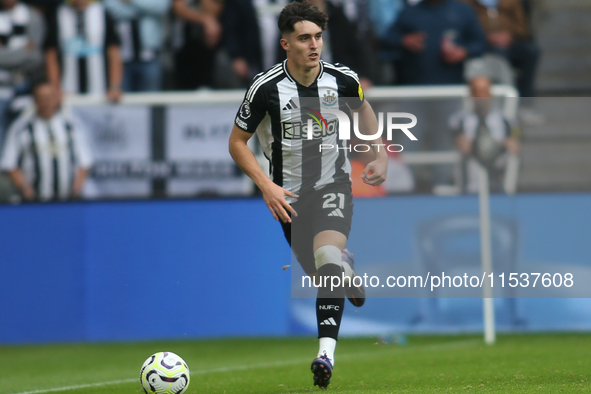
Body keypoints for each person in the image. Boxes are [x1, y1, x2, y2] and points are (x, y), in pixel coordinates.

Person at [228, 1, 387, 388]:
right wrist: (265, 185)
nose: (313, 45)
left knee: (326, 257)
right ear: (285, 43)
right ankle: (343, 266)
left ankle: (325, 355)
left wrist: (378, 150)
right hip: (289, 198)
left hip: (333, 185)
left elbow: (364, 108)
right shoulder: (265, 88)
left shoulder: (342, 79)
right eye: (304, 38)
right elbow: (236, 143)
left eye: (317, 36)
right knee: (324, 274)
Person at [0, 81, 93, 201]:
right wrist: (26, 191)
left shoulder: (71, 126)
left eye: (49, 97)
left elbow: (84, 162)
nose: (46, 102)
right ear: (34, 100)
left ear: (57, 98)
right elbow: (10, 163)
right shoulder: (22, 128)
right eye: (42, 98)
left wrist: (75, 192)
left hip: (67, 202)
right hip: (33, 202)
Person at [449, 75, 519, 193]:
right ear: (471, 94)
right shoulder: (459, 120)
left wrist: (486, 146)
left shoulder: (506, 120)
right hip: (469, 184)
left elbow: (514, 146)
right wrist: (496, 144)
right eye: (477, 91)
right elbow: (464, 146)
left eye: (484, 91)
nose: (481, 96)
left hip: (498, 180)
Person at [44, 0, 123, 102]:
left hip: (100, 90)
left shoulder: (103, 13)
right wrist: (55, 87)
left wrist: (114, 87)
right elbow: (51, 54)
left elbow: (114, 52)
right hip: (66, 92)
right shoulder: (57, 13)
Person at [104, 0, 170, 92]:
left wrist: (131, 1)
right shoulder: (144, 11)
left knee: (150, 101)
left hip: (150, 58)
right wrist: (145, 9)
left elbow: (161, 7)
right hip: (122, 60)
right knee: (123, 103)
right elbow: (112, 10)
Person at [171, 0, 223, 90]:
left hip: (207, 47)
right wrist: (203, 19)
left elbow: (215, 10)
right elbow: (178, 9)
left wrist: (207, 20)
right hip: (182, 48)